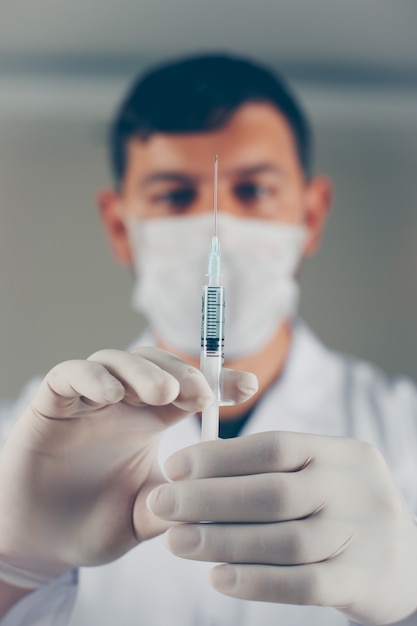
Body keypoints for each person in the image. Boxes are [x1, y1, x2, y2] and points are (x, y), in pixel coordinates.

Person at [0, 53, 417, 626]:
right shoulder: (26, 441)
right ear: (121, 227)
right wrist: (17, 569)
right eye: (173, 196)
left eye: (254, 190)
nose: (214, 225)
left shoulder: (404, 429)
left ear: (312, 215)